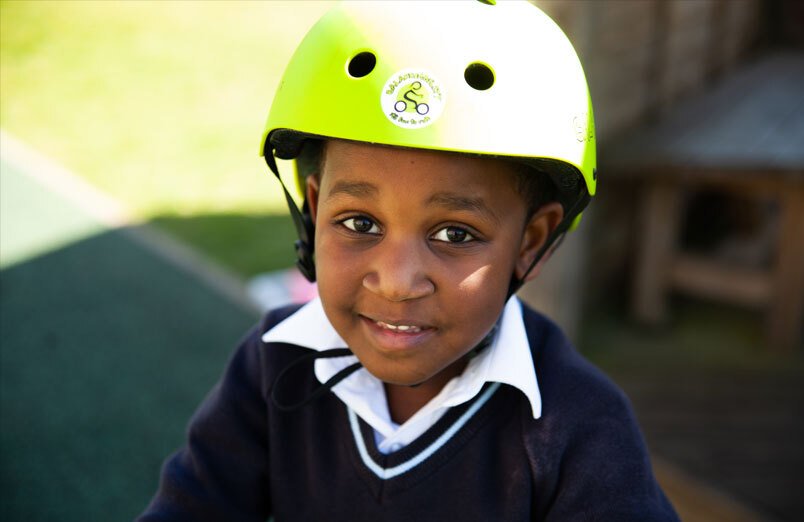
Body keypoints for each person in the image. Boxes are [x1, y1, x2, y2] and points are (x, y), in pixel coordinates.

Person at [139, 1, 679, 520]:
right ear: (312, 208)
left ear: (530, 243)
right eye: (359, 224)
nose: (396, 282)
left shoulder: (580, 428)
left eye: (454, 232)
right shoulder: (271, 367)